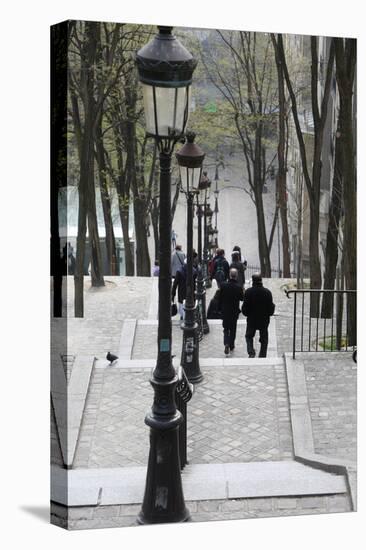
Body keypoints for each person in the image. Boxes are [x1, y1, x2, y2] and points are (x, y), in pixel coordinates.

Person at [242, 273, 275, 358]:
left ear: (253, 281)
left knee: (249, 336)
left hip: (252, 319)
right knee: (264, 338)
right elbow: (271, 309)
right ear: (261, 280)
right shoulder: (267, 292)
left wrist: (246, 313)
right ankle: (262, 355)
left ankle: (251, 351)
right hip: (264, 320)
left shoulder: (248, 292)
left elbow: (245, 308)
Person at [218, 268, 244, 355]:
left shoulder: (223, 285)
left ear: (229, 275)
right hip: (234, 311)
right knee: (233, 329)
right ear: (236, 276)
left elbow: (220, 298)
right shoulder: (238, 287)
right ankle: (231, 344)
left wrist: (219, 309)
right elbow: (242, 298)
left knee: (226, 328)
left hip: (225, 311)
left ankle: (226, 343)